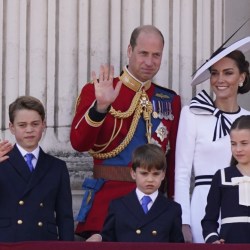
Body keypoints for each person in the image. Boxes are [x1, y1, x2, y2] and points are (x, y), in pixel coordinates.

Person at [70, 25, 181, 237]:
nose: (149, 62)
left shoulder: (169, 100)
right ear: (130, 51)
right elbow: (78, 143)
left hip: (153, 211)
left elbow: (173, 158)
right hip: (106, 208)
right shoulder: (99, 89)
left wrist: (173, 202)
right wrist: (100, 107)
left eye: (156, 55)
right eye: (143, 53)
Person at [174, 36, 250, 243]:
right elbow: (181, 172)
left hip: (242, 204)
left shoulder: (248, 119)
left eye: (228, 73)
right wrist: (183, 221)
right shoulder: (192, 113)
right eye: (214, 73)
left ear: (242, 77)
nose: (219, 80)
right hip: (202, 204)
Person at [0, 96, 74, 242]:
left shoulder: (57, 167)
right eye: (22, 125)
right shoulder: (2, 161)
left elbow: (65, 217)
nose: (29, 130)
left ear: (43, 125)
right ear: (11, 127)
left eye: (35, 124)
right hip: (8, 241)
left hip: (44, 241)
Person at [86, 144, 184, 242]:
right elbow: (108, 239)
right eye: (144, 173)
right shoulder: (118, 206)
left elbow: (177, 245)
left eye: (156, 174)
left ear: (163, 175)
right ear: (133, 173)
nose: (150, 179)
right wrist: (99, 238)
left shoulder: (172, 209)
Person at [202, 115, 250, 244]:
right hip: (230, 244)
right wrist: (213, 239)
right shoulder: (221, 176)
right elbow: (209, 220)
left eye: (244, 143)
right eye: (233, 144)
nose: (238, 149)